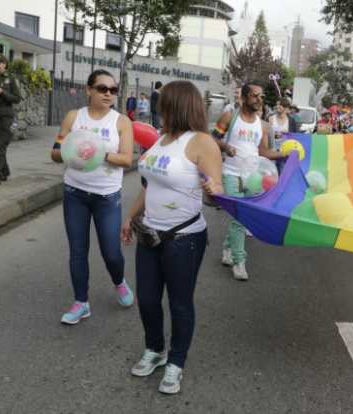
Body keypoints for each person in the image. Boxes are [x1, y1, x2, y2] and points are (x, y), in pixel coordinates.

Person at [121, 80, 223, 395]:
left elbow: (216, 190)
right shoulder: (161, 140)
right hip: (149, 233)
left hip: (184, 239)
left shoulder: (202, 142)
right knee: (148, 300)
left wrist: (214, 190)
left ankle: (176, 362)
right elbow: (150, 185)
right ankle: (156, 350)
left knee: (179, 304)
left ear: (176, 106)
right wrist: (130, 215)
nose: (157, 108)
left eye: (163, 103)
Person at [50, 69, 134, 324]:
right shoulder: (74, 117)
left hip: (107, 196)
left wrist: (98, 151)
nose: (108, 94)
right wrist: (70, 149)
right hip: (75, 193)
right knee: (78, 250)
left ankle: (119, 281)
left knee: (111, 252)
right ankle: (81, 302)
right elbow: (54, 153)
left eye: (113, 90)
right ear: (89, 90)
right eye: (102, 88)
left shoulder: (121, 122)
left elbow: (127, 159)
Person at [212, 81, 285, 280]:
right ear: (243, 98)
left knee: (241, 219)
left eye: (261, 96)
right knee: (238, 219)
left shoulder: (261, 126)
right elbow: (213, 139)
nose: (259, 99)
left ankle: (228, 248)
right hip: (231, 174)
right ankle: (239, 261)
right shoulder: (230, 116)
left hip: (253, 177)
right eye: (254, 96)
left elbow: (263, 152)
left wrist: (285, 154)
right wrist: (226, 147)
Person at [0, 53, 22, 185]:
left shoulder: (10, 79)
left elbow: (17, 98)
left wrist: (2, 92)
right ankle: (4, 171)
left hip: (5, 116)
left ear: (4, 64)